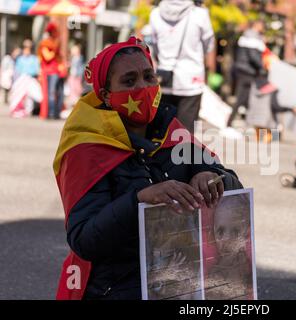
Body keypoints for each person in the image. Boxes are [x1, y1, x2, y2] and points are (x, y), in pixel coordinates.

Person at [53, 37, 242, 300]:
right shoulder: (86, 148)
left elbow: (234, 188)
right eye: (129, 81)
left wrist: (211, 175)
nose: (142, 87)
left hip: (181, 284)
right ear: (106, 95)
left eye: (148, 76)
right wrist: (139, 200)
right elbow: (83, 239)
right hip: (116, 288)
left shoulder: (172, 130)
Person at [149, 0, 215, 133]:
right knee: (186, 132)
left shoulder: (155, 13)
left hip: (164, 76)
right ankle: (183, 153)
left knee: (162, 130)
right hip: (192, 79)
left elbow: (154, 45)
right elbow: (209, 44)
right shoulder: (200, 13)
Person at [226, 20, 266, 132]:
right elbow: (254, 56)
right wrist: (263, 67)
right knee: (241, 98)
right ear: (257, 25)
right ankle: (229, 124)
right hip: (247, 71)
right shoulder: (252, 37)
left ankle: (246, 124)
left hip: (243, 70)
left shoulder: (247, 36)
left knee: (246, 98)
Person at [37, 22, 65, 119]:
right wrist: (55, 49)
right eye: (54, 31)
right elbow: (47, 57)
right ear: (51, 32)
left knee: (59, 93)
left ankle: (57, 112)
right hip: (49, 71)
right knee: (51, 92)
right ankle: (51, 113)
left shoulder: (56, 42)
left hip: (57, 71)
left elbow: (59, 58)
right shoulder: (45, 43)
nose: (56, 33)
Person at [9, 40, 42, 118]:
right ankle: (21, 110)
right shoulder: (20, 59)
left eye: (28, 48)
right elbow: (17, 70)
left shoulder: (34, 59)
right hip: (22, 80)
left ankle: (30, 110)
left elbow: (36, 70)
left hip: (31, 79)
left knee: (37, 96)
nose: (26, 50)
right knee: (19, 95)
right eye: (25, 48)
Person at [62, 44, 84, 118]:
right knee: (71, 92)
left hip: (76, 77)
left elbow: (79, 68)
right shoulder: (74, 58)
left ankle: (76, 109)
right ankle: (72, 109)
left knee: (75, 92)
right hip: (72, 77)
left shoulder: (79, 58)